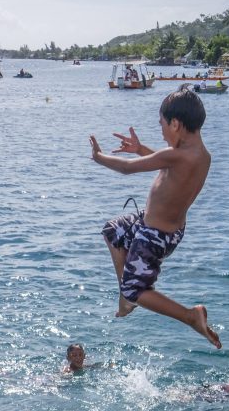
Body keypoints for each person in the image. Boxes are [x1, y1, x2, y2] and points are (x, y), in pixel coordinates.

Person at [89, 86, 221, 348]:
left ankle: (188, 315)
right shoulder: (199, 156)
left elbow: (127, 169)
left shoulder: (176, 155)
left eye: (161, 124)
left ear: (175, 124)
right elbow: (166, 164)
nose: (161, 131)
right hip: (155, 226)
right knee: (113, 230)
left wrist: (98, 157)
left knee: (135, 289)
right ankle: (126, 293)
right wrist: (140, 149)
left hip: (154, 236)